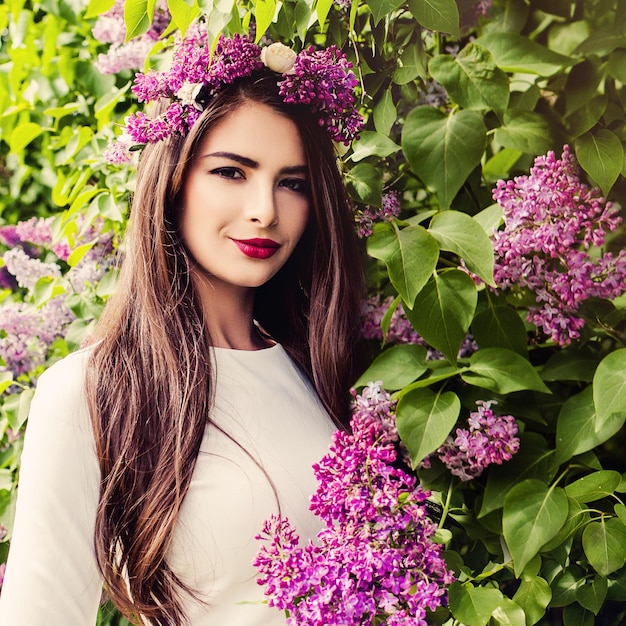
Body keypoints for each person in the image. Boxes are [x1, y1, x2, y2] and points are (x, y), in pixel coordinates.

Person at [0, 26, 365, 626]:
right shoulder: (93, 392)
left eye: (292, 183)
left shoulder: (322, 368)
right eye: (231, 172)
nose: (264, 210)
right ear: (172, 181)